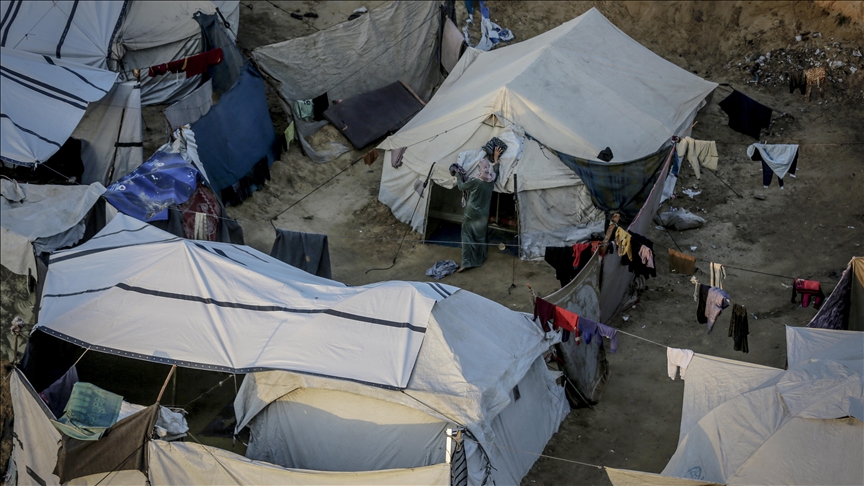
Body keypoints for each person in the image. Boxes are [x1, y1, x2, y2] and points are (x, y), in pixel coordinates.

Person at [455, 146, 501, 272]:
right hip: (483, 214)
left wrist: (458, 175)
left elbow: (461, 186)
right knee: (480, 236)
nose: (485, 168)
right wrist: (496, 158)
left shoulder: (476, 181)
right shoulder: (491, 180)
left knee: (467, 236)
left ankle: (467, 262)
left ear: (479, 170)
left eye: (484, 166)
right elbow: (496, 169)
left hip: (471, 213)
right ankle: (480, 259)